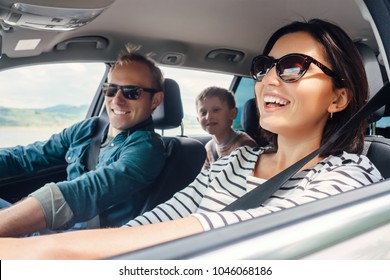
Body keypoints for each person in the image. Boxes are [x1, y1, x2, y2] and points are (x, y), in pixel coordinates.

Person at [0, 19, 384, 259]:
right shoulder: (234, 162)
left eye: (293, 67)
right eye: (264, 66)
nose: (267, 78)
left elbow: (244, 230)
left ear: (339, 97)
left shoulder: (350, 175)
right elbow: (163, 218)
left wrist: (47, 251)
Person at [0, 44, 167, 237]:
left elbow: (86, 191)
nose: (117, 100)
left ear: (155, 100)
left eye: (132, 92)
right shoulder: (88, 129)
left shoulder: (147, 149)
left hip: (78, 244)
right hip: (54, 229)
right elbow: (24, 157)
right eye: (111, 90)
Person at [195, 86, 258, 169]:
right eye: (203, 112)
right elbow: (206, 177)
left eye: (216, 110)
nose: (208, 117)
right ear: (198, 119)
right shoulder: (209, 147)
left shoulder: (245, 145)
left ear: (232, 113)